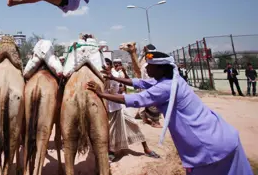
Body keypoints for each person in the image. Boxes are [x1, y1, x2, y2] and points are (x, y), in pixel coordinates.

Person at [86, 51, 253, 175]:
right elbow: (140, 82)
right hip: (224, 138)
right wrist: (114, 78)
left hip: (210, 151)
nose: (147, 68)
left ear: (161, 69)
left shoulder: (165, 88)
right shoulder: (172, 80)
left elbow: (136, 99)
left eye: (150, 66)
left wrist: (101, 95)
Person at [104, 58, 159, 162]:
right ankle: (111, 152)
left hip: (118, 105)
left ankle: (146, 149)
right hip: (108, 107)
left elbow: (118, 89)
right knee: (110, 130)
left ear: (110, 66)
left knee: (133, 124)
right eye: (104, 64)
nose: (106, 66)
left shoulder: (115, 74)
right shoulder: (101, 75)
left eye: (108, 64)